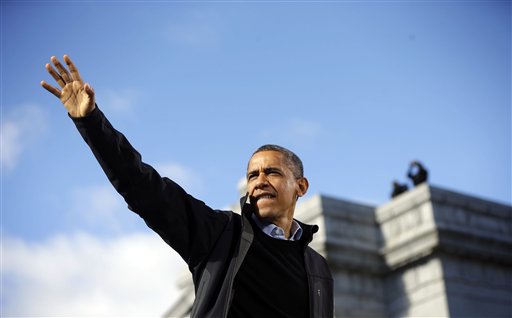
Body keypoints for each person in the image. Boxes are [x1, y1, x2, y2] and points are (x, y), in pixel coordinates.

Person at [41, 55, 333, 318]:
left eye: (272, 172)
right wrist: (91, 123)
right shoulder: (221, 234)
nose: (259, 182)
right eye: (253, 175)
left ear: (301, 186)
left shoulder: (317, 267)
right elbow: (144, 187)